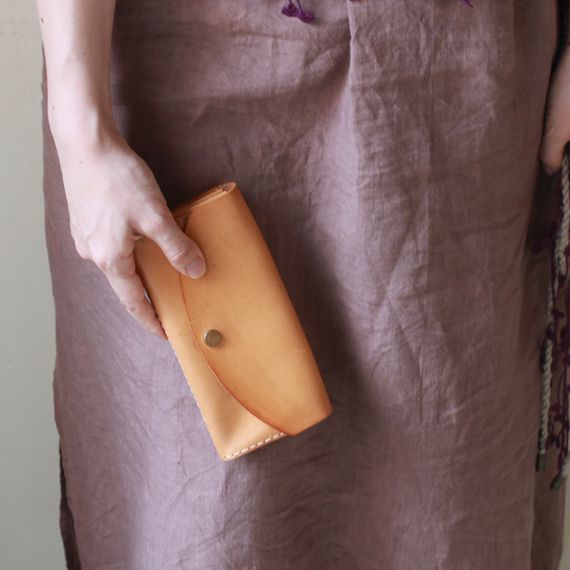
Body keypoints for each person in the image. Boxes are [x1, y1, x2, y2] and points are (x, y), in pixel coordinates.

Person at [35, 0, 569, 568]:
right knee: (201, 518)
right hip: (181, 92)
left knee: (447, 499)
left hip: (463, 102)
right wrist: (83, 129)